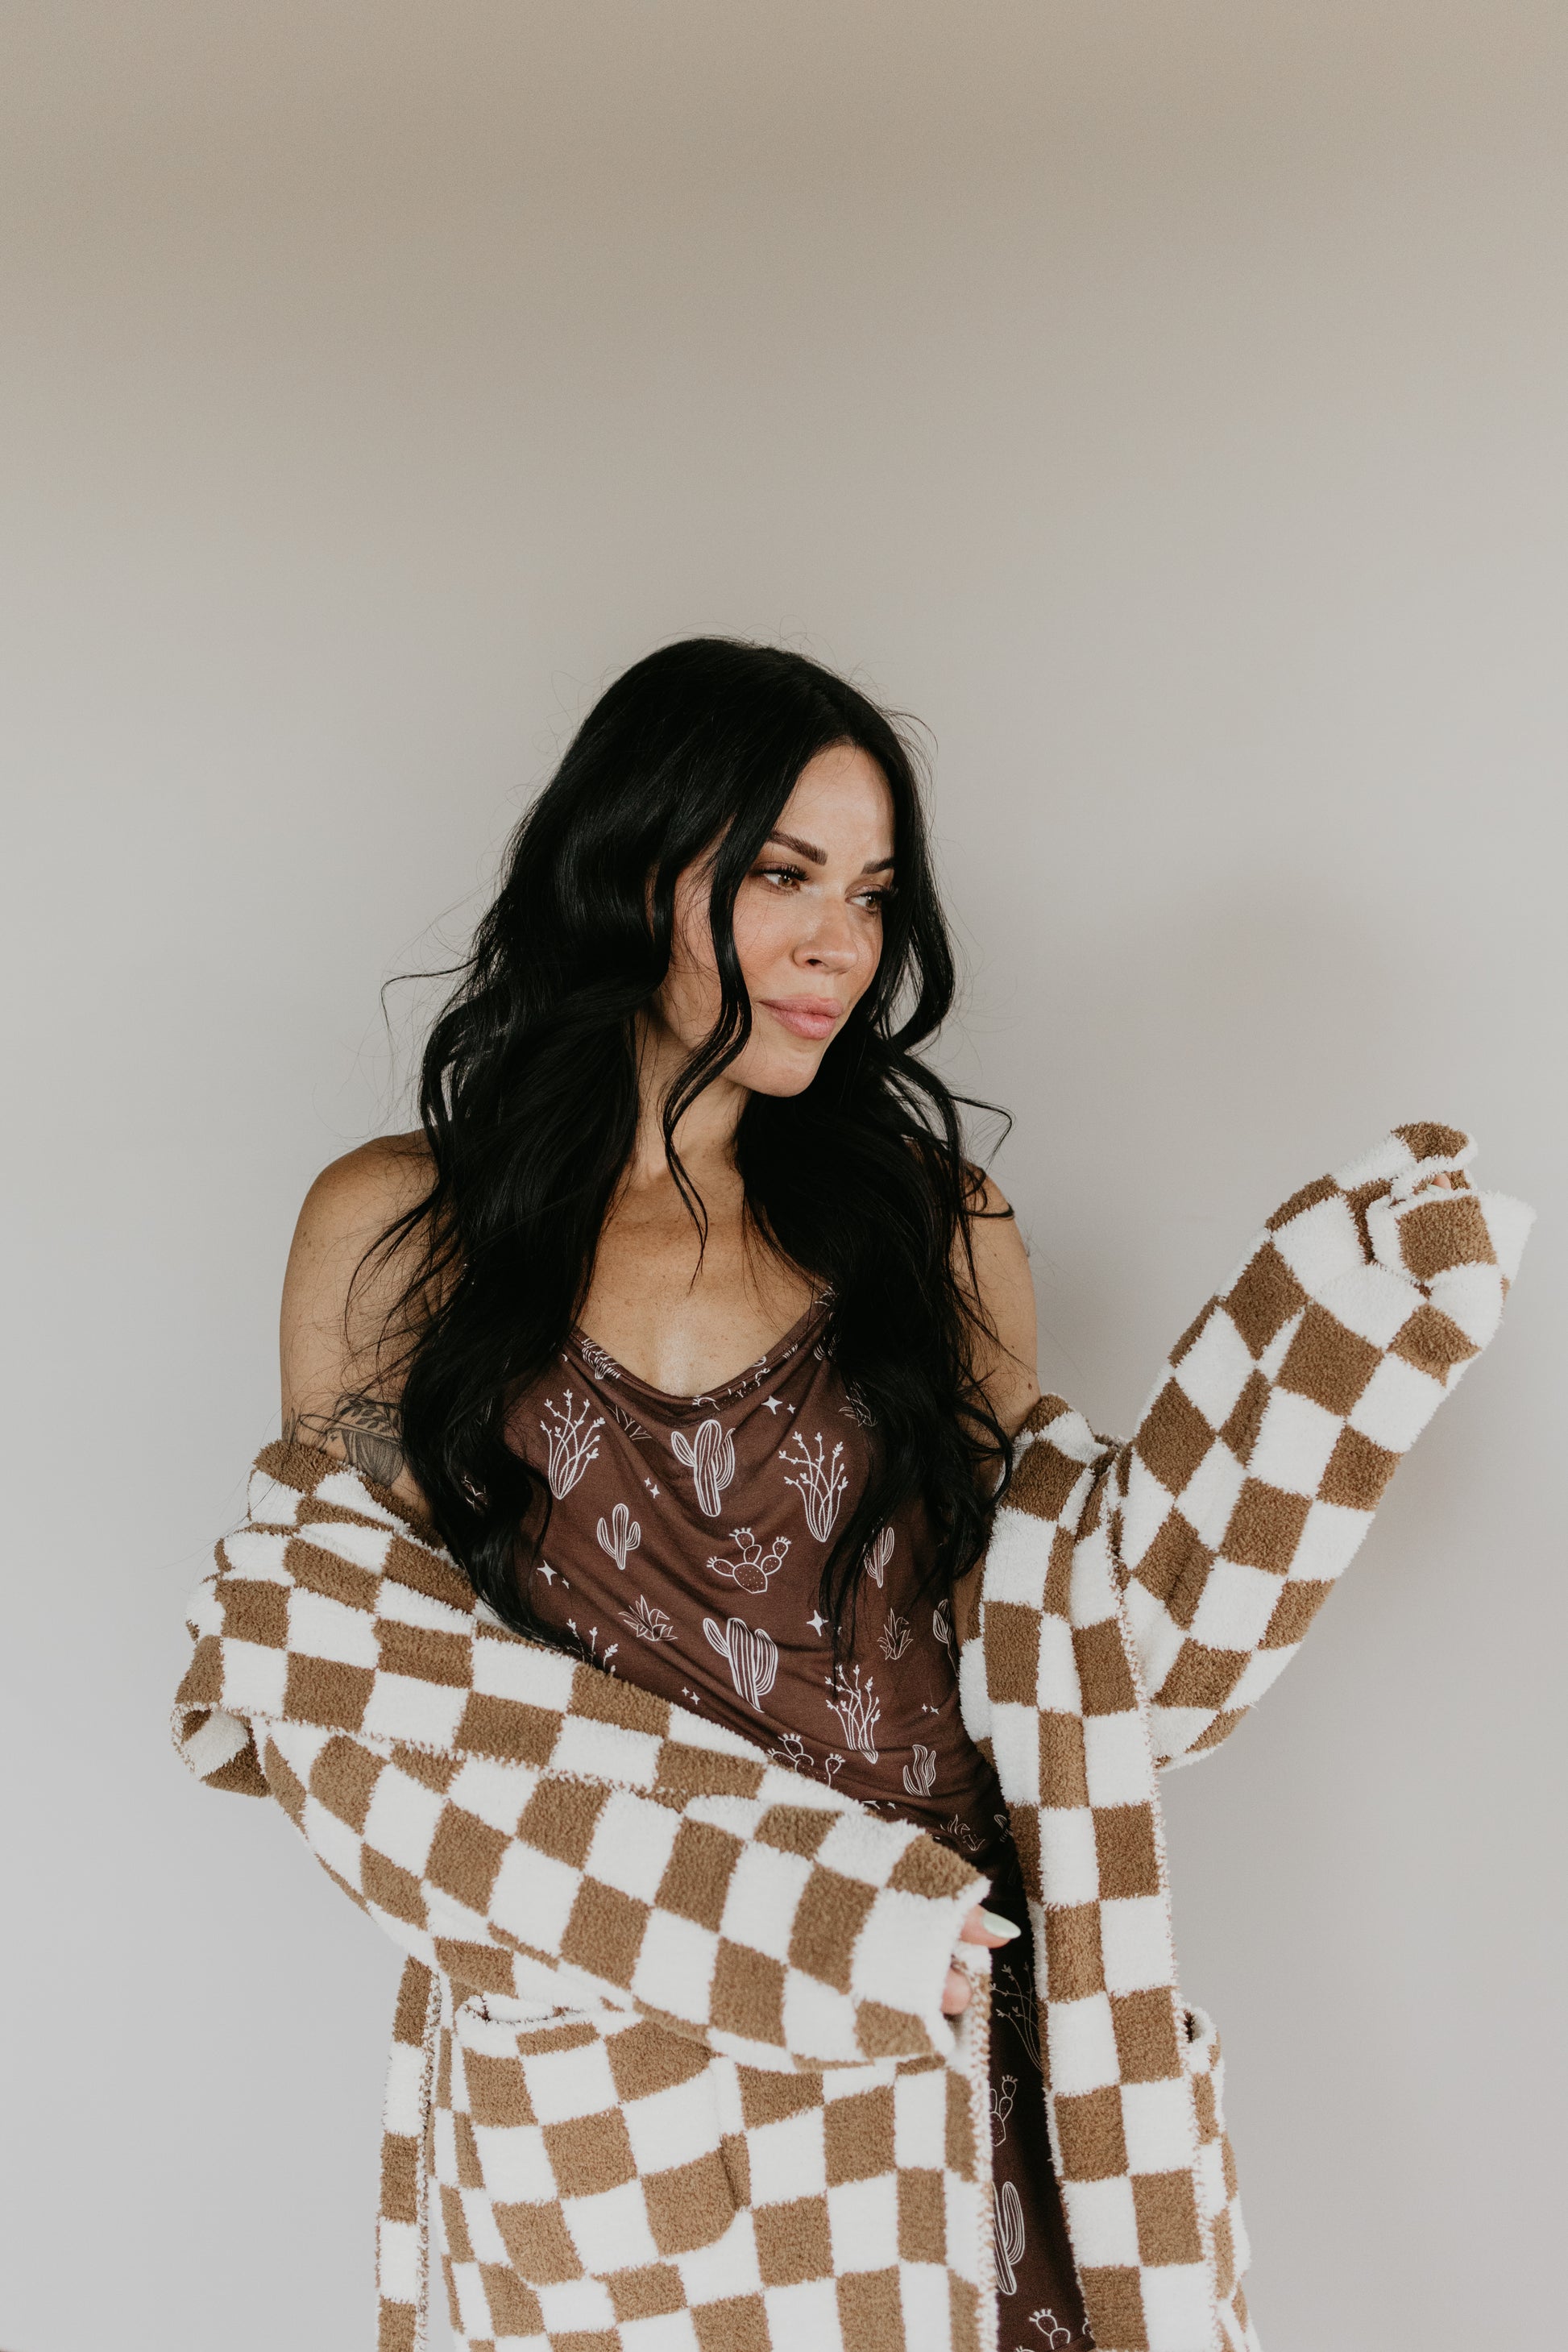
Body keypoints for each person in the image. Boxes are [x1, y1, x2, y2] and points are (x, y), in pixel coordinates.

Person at [176, 637, 1529, 2352]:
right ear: (628, 867)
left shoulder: (928, 1220)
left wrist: (1327, 1358)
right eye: (780, 876)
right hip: (632, 2071)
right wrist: (804, 1910)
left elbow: (1070, 1637)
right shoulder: (401, 1229)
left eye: (874, 893)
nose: (840, 943)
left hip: (959, 2045)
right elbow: (359, 1706)